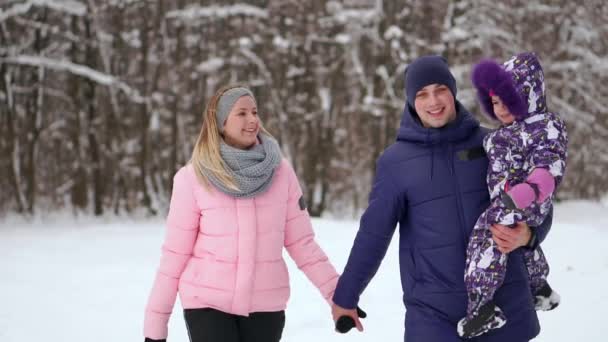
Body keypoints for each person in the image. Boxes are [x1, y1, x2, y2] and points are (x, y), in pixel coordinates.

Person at [331, 55, 553, 342]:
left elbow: (540, 198)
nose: (433, 101)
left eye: (440, 90)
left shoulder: (496, 144)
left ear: (453, 91)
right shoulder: (396, 162)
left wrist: (529, 235)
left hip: (504, 303)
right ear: (411, 101)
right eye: (422, 94)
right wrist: (346, 296)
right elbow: (373, 234)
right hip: (433, 314)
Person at [143, 85, 340, 342]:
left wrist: (339, 297)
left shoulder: (281, 173)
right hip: (207, 304)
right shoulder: (193, 178)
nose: (253, 120)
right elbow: (174, 256)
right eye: (242, 113)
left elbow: (303, 244)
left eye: (255, 112)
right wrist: (155, 327)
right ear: (221, 123)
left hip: (265, 305)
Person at [457, 52, 567, 338]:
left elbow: (549, 166)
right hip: (508, 200)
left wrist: (529, 190)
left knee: (486, 234)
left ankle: (482, 307)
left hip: (526, 199)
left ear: (528, 96)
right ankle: (540, 288)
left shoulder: (546, 126)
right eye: (495, 102)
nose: (502, 109)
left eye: (509, 101)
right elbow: (493, 148)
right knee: (513, 242)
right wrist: (471, 154)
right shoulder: (504, 132)